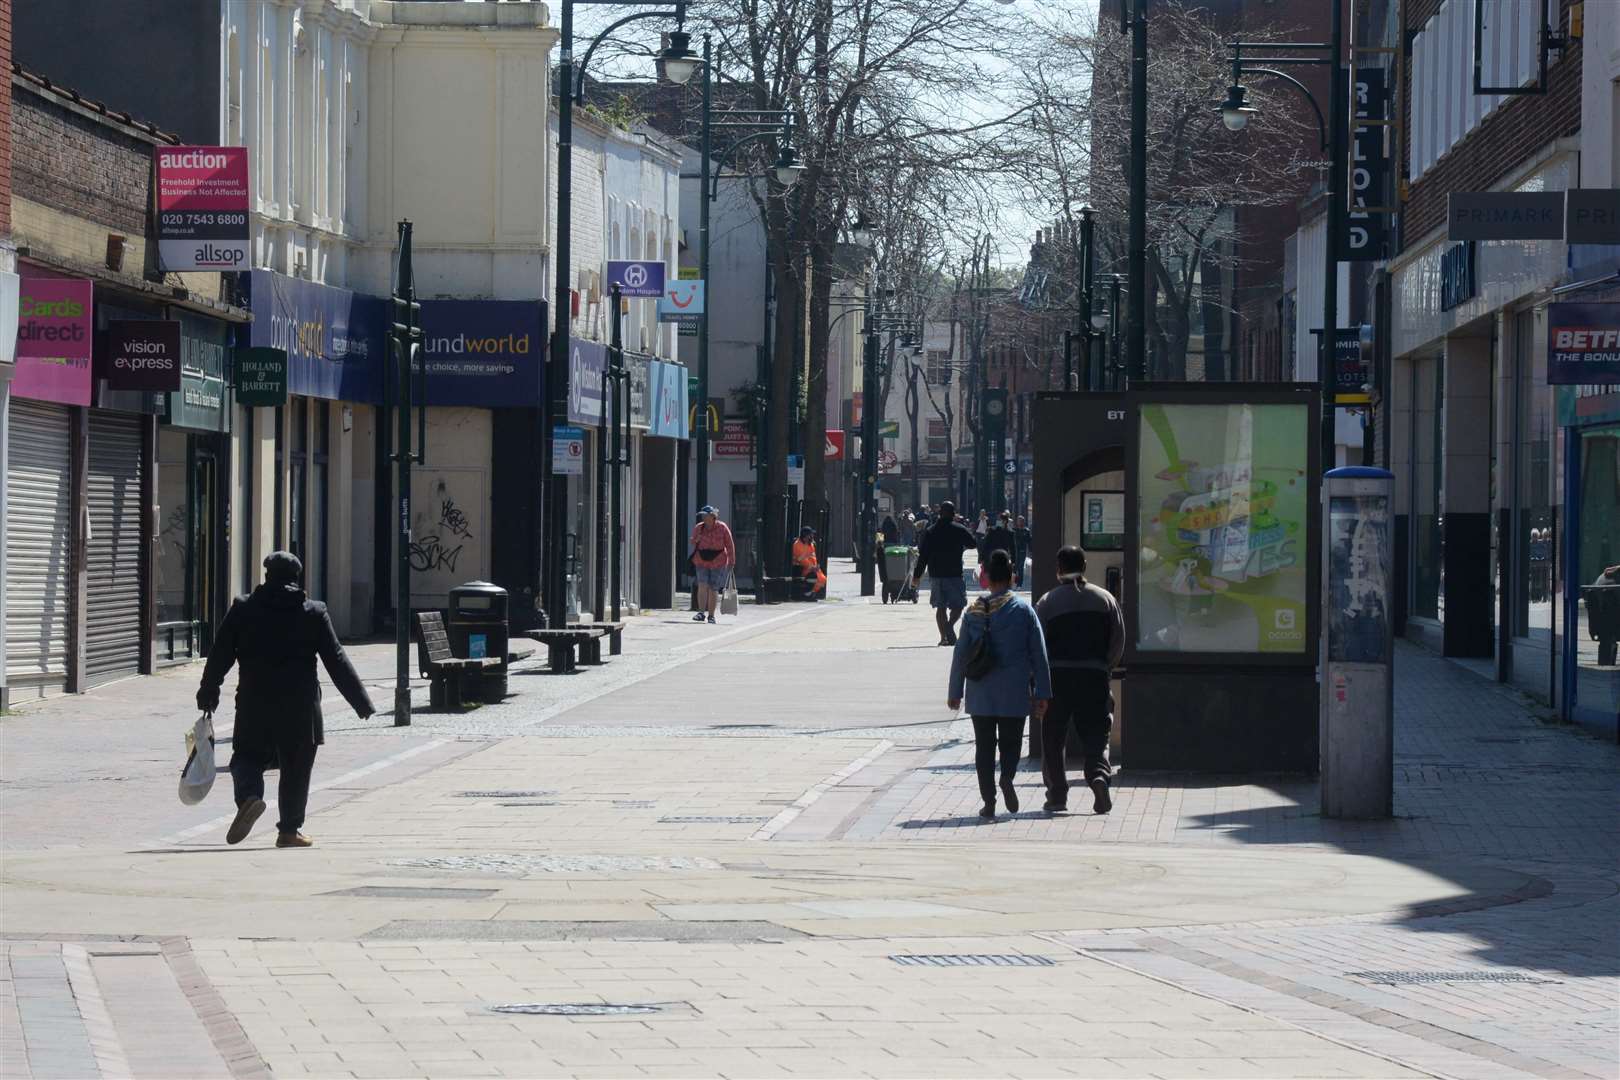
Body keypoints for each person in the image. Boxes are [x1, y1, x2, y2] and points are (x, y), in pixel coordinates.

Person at [196, 552, 375, 848]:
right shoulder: (313, 612)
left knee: (246, 756)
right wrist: (361, 701)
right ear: (296, 578)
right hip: (300, 705)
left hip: (254, 700)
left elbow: (220, 653)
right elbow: (336, 658)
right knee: (296, 766)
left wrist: (209, 690)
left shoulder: (244, 608)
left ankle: (250, 795)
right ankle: (289, 830)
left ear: (267, 575)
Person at [948, 549, 1052, 819]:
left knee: (984, 747)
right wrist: (1042, 692)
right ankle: (1007, 775)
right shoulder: (1024, 611)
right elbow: (1039, 654)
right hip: (1014, 690)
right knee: (1011, 742)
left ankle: (989, 801)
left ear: (987, 578)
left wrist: (955, 692)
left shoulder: (973, 612)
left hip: (980, 690)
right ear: (1012, 578)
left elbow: (960, 653)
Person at [1035, 545, 1126, 814]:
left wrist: (1038, 681)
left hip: (1057, 680)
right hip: (1094, 677)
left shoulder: (1047, 602)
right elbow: (1118, 640)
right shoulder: (1105, 599)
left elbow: (1037, 646)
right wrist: (1104, 667)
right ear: (1084, 566)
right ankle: (1098, 776)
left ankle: (1057, 795)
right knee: (1097, 736)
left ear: (1058, 569)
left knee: (1053, 738)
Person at [911, 501, 981, 645]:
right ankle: (949, 627)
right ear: (953, 513)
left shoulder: (930, 531)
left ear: (939, 513)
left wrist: (917, 576)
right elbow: (973, 543)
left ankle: (943, 637)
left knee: (940, 606)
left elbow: (923, 555)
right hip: (954, 573)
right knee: (958, 605)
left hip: (936, 574)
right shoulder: (959, 529)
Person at [688, 505, 735, 624]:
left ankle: (711, 615)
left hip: (718, 560)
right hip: (701, 560)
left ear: (713, 516)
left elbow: (729, 544)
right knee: (702, 585)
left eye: (706, 515)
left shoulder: (722, 527)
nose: (703, 518)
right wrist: (696, 539)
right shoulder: (699, 527)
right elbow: (692, 541)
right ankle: (700, 612)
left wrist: (731, 561)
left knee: (713, 587)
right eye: (702, 515)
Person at [793, 526, 828, 599]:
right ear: (805, 536)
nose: (812, 536)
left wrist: (816, 566)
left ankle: (811, 593)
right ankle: (806, 593)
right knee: (814, 578)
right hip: (802, 569)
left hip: (813, 568)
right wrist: (812, 567)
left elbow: (813, 557)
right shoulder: (797, 545)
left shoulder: (811, 545)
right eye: (810, 535)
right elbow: (801, 560)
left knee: (823, 579)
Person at [1013, 515, 1033, 587]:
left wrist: (1031, 550)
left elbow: (1029, 541)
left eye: (1021, 521)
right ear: (1017, 522)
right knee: (1015, 567)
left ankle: (1019, 584)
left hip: (1022, 551)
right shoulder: (1014, 530)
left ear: (1023, 522)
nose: (1020, 522)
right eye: (1019, 520)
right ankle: (1014, 582)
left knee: (1021, 568)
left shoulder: (1026, 531)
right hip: (1015, 551)